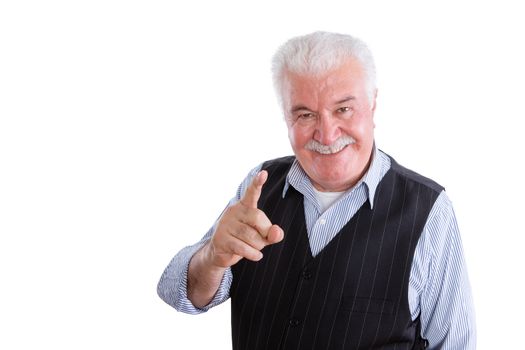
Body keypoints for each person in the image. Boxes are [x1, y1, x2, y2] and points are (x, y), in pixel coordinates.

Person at [157, 31, 476, 349]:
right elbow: (178, 292)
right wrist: (212, 257)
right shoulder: (261, 186)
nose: (326, 134)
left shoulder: (429, 210)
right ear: (286, 117)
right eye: (306, 114)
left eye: (343, 109)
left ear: (372, 104)